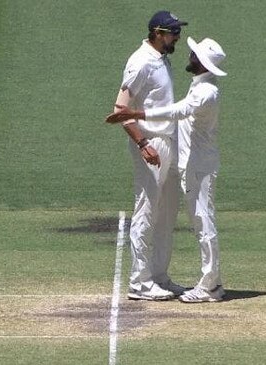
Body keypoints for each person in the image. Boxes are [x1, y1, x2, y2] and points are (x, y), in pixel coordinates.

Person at [107, 37, 228, 303]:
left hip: (199, 165)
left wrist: (138, 115)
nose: (190, 56)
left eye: (195, 55)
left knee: (203, 222)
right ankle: (175, 280)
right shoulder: (200, 85)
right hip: (191, 163)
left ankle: (210, 285)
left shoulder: (205, 91)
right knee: (198, 221)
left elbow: (178, 111)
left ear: (203, 64)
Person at [113, 11, 188, 301]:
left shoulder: (162, 59)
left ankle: (159, 276)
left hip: (168, 141)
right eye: (172, 33)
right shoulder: (140, 62)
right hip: (151, 145)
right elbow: (121, 110)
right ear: (157, 33)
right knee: (147, 210)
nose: (177, 38)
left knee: (167, 213)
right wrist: (143, 143)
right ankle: (139, 282)